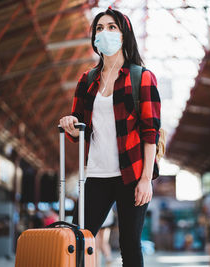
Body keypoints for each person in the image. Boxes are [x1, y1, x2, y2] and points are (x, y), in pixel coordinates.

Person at [59, 6, 161, 267]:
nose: (105, 32)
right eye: (100, 28)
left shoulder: (142, 78)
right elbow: (80, 126)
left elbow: (151, 133)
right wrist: (71, 124)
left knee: (129, 244)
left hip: (132, 174)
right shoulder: (87, 80)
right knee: (77, 238)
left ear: (124, 35)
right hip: (96, 175)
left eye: (111, 27)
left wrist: (146, 179)